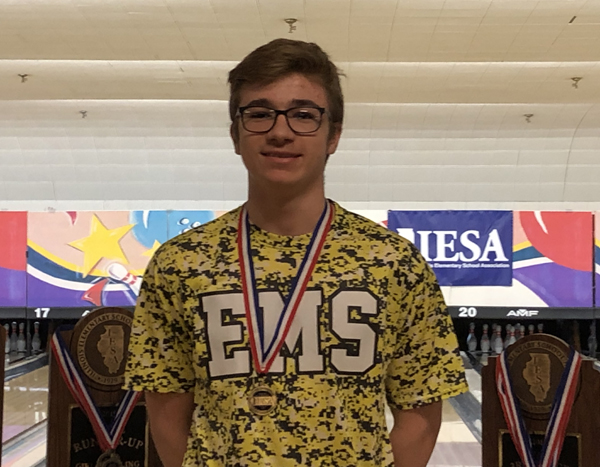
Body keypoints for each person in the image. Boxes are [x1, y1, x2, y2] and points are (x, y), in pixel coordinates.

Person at [124, 38, 468, 467]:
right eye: (259, 114)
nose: (280, 131)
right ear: (235, 134)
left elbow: (419, 409)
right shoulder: (181, 263)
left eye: (304, 115)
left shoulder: (394, 262)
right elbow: (168, 412)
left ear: (333, 136)